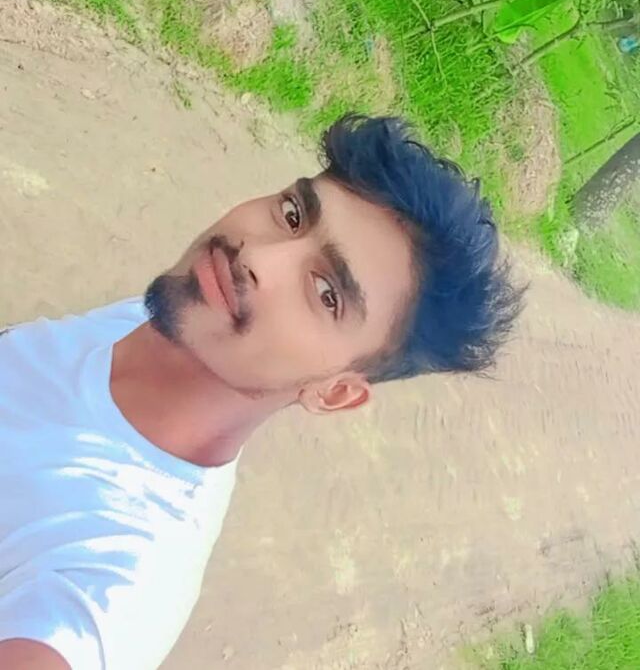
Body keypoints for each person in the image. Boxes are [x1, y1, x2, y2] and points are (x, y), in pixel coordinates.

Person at [0, 115, 522, 669]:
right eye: (293, 214)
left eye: (326, 293)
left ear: (334, 393)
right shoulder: (176, 319)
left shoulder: (110, 575)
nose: (256, 256)